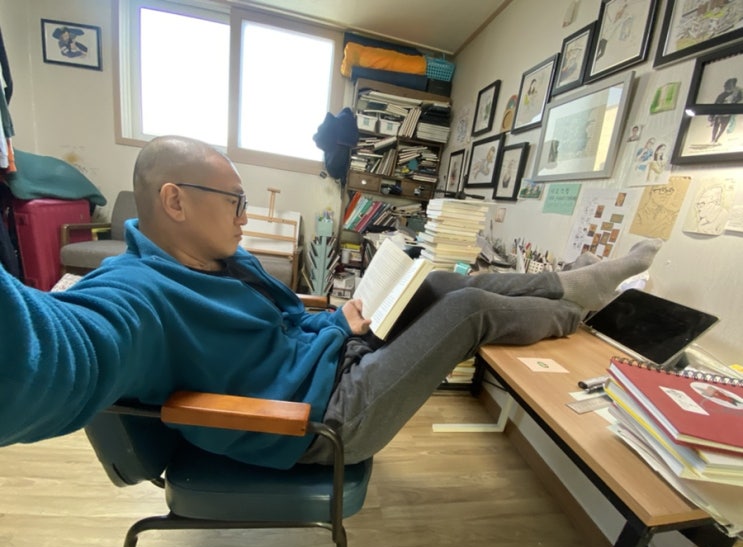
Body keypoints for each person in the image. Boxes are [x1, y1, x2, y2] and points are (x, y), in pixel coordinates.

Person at [0, 135, 663, 468]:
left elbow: (282, 324)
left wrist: (332, 320)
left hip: (328, 359)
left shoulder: (229, 259)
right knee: (468, 313)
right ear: (174, 201)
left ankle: (570, 285)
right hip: (315, 420)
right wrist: (330, 335)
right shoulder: (135, 293)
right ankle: (582, 314)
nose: (244, 216)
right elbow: (50, 360)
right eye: (234, 201)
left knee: (437, 283)